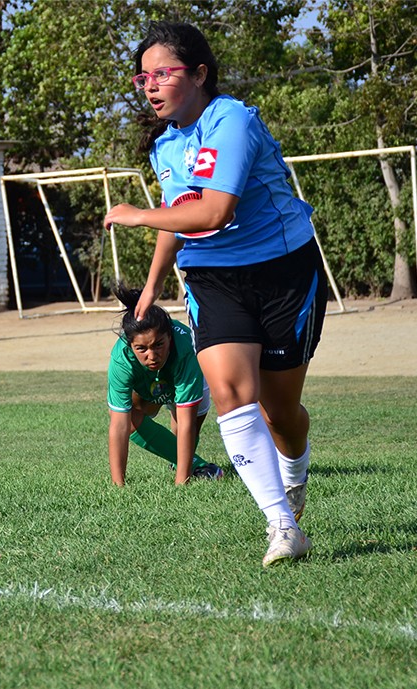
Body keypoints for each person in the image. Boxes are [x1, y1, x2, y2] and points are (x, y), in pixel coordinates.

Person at [103, 21, 327, 567]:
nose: (150, 86)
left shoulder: (234, 122)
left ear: (200, 74)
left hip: (283, 270)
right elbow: (182, 222)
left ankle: (293, 476)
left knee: (280, 414)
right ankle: (282, 524)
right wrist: (154, 281)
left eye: (163, 73)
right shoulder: (167, 144)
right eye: (143, 78)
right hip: (212, 274)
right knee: (229, 392)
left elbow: (216, 209)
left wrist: (135, 215)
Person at [107, 282, 223, 485]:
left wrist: (181, 484)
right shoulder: (121, 358)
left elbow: (186, 422)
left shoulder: (186, 349)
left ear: (169, 337)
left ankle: (186, 467)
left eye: (158, 344)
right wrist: (118, 486)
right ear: (130, 345)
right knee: (129, 419)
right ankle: (200, 466)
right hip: (147, 387)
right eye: (141, 348)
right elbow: (118, 426)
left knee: (186, 432)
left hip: (186, 375)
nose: (152, 356)